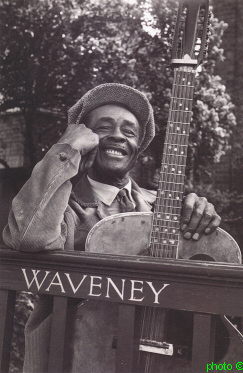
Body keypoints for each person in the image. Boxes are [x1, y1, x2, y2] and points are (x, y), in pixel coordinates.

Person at [3, 83, 221, 372]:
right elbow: (29, 237)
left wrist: (203, 222)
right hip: (74, 361)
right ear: (86, 139)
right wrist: (66, 149)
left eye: (129, 132)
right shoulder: (61, 204)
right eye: (104, 128)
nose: (118, 136)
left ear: (138, 147)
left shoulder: (166, 208)